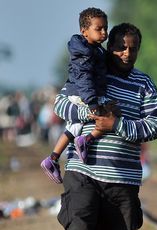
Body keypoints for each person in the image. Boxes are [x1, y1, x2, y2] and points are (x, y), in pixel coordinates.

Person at [53, 23, 157, 230]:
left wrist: (116, 125)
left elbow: (154, 126)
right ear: (108, 45)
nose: (127, 53)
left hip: (123, 174)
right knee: (80, 226)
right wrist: (89, 114)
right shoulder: (90, 73)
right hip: (82, 167)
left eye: (133, 48)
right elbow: (61, 104)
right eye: (121, 47)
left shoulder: (145, 84)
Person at [41, 8, 111, 184]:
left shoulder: (95, 50)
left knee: (74, 125)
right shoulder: (85, 52)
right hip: (81, 94)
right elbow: (84, 78)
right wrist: (92, 101)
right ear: (84, 31)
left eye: (106, 28)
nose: (104, 32)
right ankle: (87, 139)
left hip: (82, 93)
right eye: (99, 29)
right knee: (107, 115)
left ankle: (53, 157)